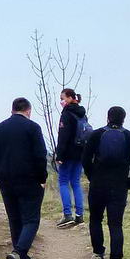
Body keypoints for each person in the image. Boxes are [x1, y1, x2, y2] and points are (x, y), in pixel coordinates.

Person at [81, 105, 130, 259]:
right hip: (119, 185)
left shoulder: (97, 135)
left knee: (95, 219)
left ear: (107, 117)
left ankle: (98, 256)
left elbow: (85, 159)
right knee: (116, 224)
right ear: (124, 118)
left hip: (98, 184)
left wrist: (92, 176)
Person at [0, 97, 48, 259]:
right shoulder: (32, 128)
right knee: (31, 220)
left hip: (5, 180)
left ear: (12, 109)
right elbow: (40, 155)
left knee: (14, 220)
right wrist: (42, 178)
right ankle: (18, 253)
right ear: (28, 111)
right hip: (29, 179)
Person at [54, 88, 90, 228]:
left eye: (62, 98)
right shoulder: (82, 114)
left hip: (68, 154)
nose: (61, 101)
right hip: (80, 153)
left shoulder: (67, 114)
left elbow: (63, 136)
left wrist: (59, 155)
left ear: (69, 98)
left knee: (63, 182)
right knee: (75, 182)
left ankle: (67, 214)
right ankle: (80, 215)